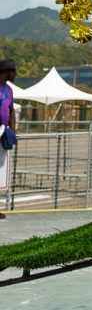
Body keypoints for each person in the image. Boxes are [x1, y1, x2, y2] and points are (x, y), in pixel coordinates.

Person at [0, 59, 18, 220]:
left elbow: (11, 111)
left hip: (3, 133)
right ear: (7, 72)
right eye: (14, 71)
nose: (15, 75)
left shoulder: (9, 90)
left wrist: (13, 130)